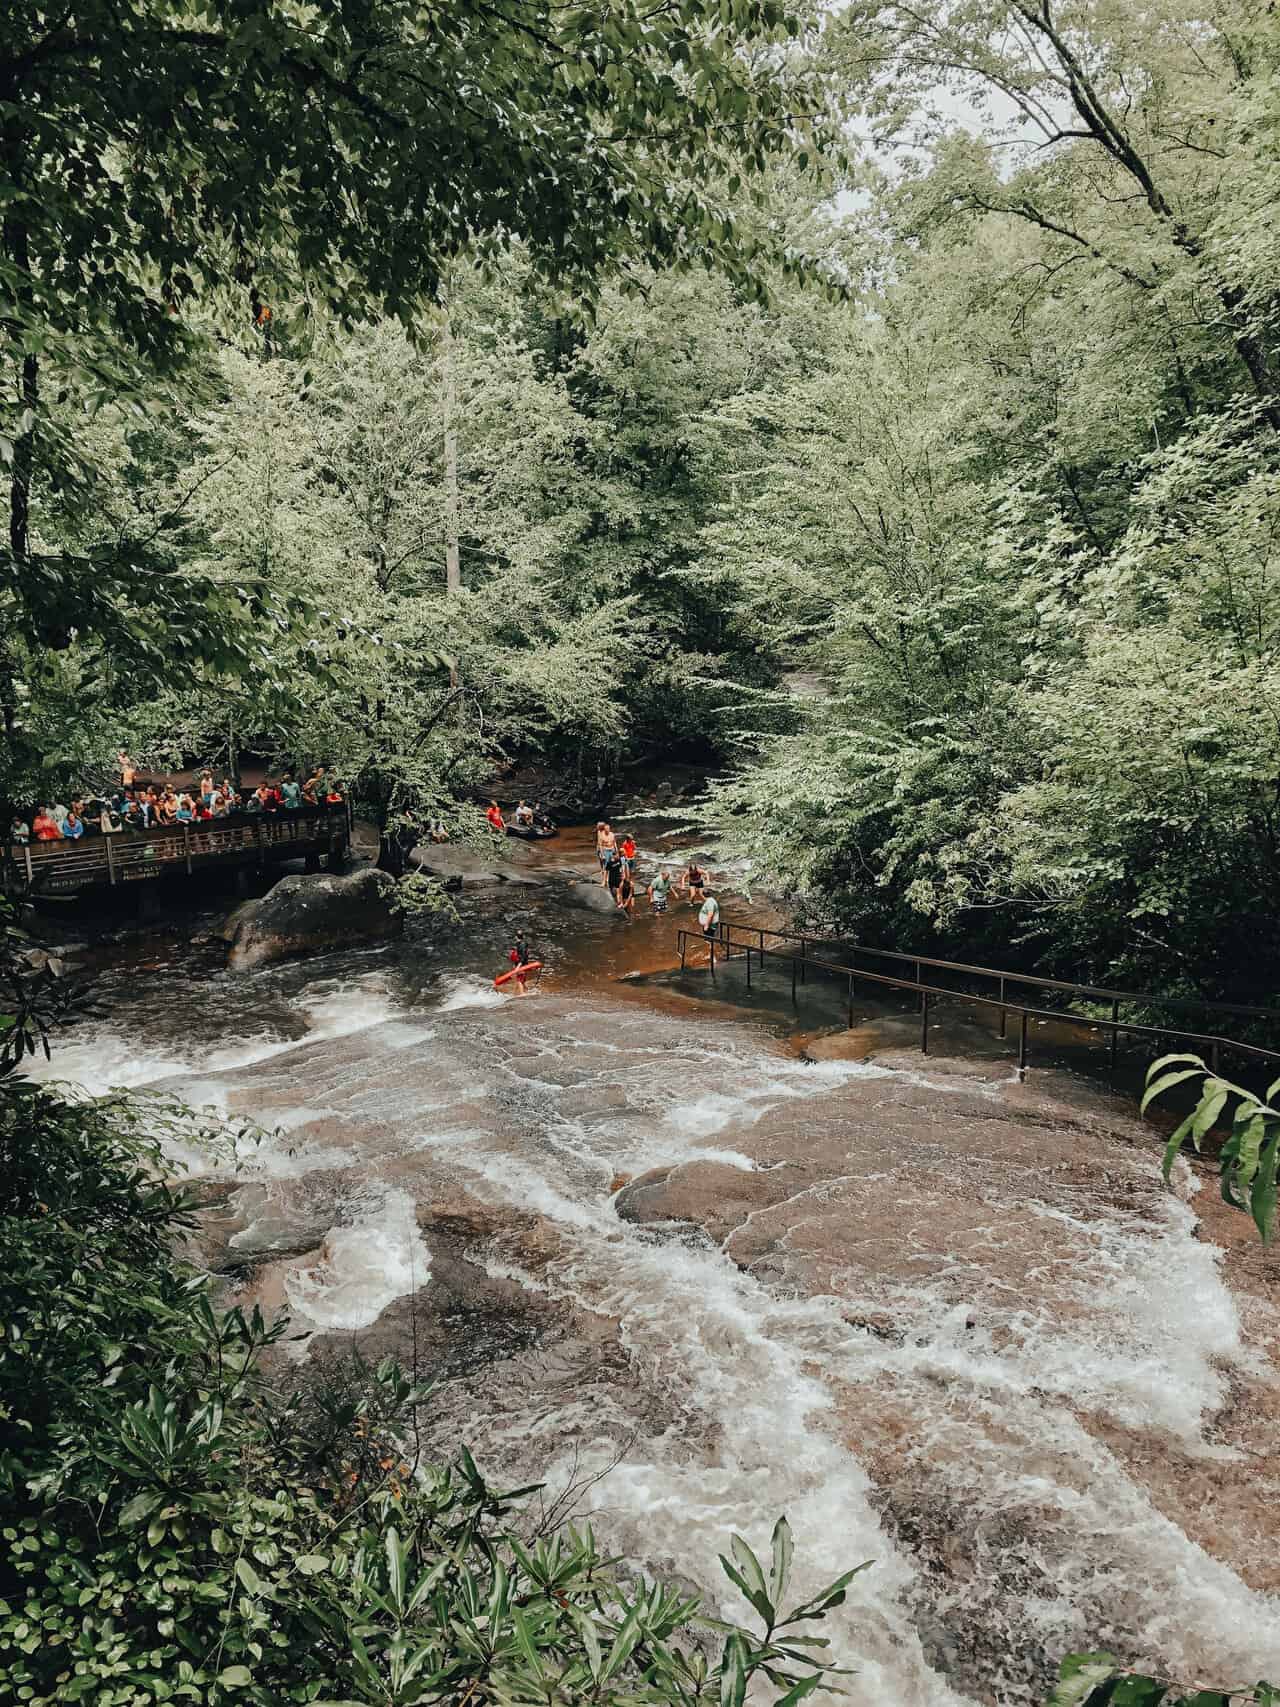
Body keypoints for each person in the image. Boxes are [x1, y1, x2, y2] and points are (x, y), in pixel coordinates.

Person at [507, 932, 537, 997]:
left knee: (519, 980)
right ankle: (528, 992)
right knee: (521, 980)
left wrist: (518, 966)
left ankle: (522, 994)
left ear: (516, 937)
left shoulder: (522, 945)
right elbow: (521, 956)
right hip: (521, 964)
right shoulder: (520, 944)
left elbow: (523, 957)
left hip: (522, 965)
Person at [697, 890, 721, 959]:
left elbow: (710, 914)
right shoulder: (711, 900)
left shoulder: (710, 902)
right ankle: (711, 955)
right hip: (710, 924)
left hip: (710, 925)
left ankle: (713, 956)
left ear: (703, 895)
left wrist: (706, 925)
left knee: (709, 941)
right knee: (709, 941)